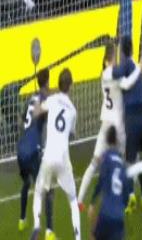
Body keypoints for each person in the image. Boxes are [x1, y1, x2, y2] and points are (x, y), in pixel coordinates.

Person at [78, 42, 142, 210]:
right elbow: (127, 84)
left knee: (94, 162)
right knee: (129, 159)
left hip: (105, 123)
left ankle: (79, 199)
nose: (117, 60)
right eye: (114, 57)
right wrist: (140, 67)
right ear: (108, 59)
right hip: (117, 124)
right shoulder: (112, 74)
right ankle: (131, 193)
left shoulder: (104, 74)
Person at [31, 69, 80, 240]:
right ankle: (78, 237)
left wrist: (38, 100)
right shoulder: (73, 110)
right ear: (70, 86)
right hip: (63, 159)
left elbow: (36, 112)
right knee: (73, 200)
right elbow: (72, 134)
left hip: (48, 156)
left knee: (38, 192)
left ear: (58, 85)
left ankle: (37, 225)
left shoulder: (51, 100)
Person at [111, 36, 142, 212]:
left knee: (129, 160)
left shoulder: (125, 66)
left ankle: (131, 196)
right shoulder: (133, 64)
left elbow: (123, 82)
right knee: (137, 157)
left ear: (122, 51)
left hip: (132, 118)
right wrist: (140, 67)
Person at [17, 69, 54, 238]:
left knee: (26, 182)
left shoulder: (31, 98)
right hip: (33, 150)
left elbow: (22, 119)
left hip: (21, 149)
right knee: (47, 189)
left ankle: (22, 219)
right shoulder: (46, 99)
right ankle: (48, 230)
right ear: (47, 82)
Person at [88, 126, 128, 240]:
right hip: (119, 217)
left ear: (106, 140)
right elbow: (126, 193)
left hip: (106, 214)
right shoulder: (122, 163)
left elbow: (101, 181)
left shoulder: (105, 158)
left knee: (93, 236)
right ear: (116, 140)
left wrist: (92, 203)